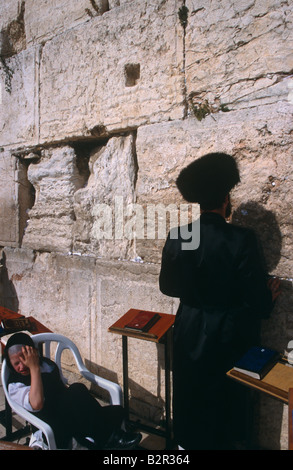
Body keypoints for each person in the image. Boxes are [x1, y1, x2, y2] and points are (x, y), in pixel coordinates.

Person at [159, 152, 280, 450]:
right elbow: (254, 298)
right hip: (227, 335)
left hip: (188, 328)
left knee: (191, 395)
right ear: (226, 199)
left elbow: (168, 286)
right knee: (223, 402)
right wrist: (269, 297)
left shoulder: (181, 236)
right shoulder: (241, 239)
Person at [4, 332, 142, 450]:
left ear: (34, 354)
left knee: (85, 394)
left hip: (65, 413)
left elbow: (61, 388)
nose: (21, 366)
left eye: (24, 360)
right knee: (79, 393)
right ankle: (110, 436)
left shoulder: (47, 365)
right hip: (50, 424)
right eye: (16, 363)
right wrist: (34, 369)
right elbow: (37, 404)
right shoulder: (15, 385)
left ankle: (110, 432)